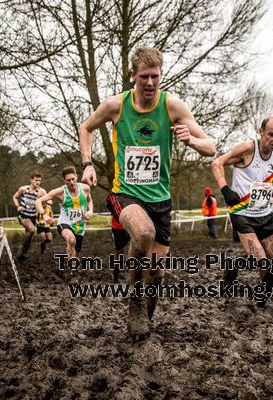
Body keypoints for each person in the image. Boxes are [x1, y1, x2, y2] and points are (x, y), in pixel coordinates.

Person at [79, 47, 216, 339]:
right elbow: (86, 127)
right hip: (125, 193)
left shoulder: (173, 107)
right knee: (142, 234)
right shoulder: (115, 106)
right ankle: (135, 299)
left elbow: (211, 147)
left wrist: (190, 139)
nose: (150, 83)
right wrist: (87, 163)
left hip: (160, 200)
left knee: (157, 272)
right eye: (144, 77)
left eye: (155, 76)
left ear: (161, 75)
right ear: (133, 76)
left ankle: (144, 321)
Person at [211, 116, 273, 308]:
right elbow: (217, 163)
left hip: (266, 214)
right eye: (271, 134)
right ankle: (232, 268)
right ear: (261, 132)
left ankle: (261, 301)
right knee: (261, 261)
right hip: (243, 214)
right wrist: (226, 189)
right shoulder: (247, 149)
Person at [35, 167, 93, 258]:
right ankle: (70, 256)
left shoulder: (85, 188)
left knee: (76, 253)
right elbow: (38, 201)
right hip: (65, 223)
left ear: (76, 177)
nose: (71, 182)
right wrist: (44, 215)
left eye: (73, 179)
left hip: (80, 226)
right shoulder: (60, 192)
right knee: (71, 240)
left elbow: (89, 200)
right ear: (64, 180)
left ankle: (72, 267)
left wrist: (90, 211)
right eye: (68, 180)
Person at [13, 173, 47, 261]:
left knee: (30, 234)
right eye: (36, 180)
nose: (38, 182)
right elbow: (15, 197)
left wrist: (47, 203)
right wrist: (18, 206)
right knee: (32, 230)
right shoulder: (23, 189)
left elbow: (47, 201)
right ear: (31, 180)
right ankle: (24, 249)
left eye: (39, 180)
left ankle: (23, 253)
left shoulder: (41, 192)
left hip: (32, 217)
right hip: (23, 215)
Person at [110, 216, 130, 283]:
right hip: (118, 227)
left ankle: (130, 275)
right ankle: (115, 276)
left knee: (131, 250)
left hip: (131, 226)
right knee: (119, 253)